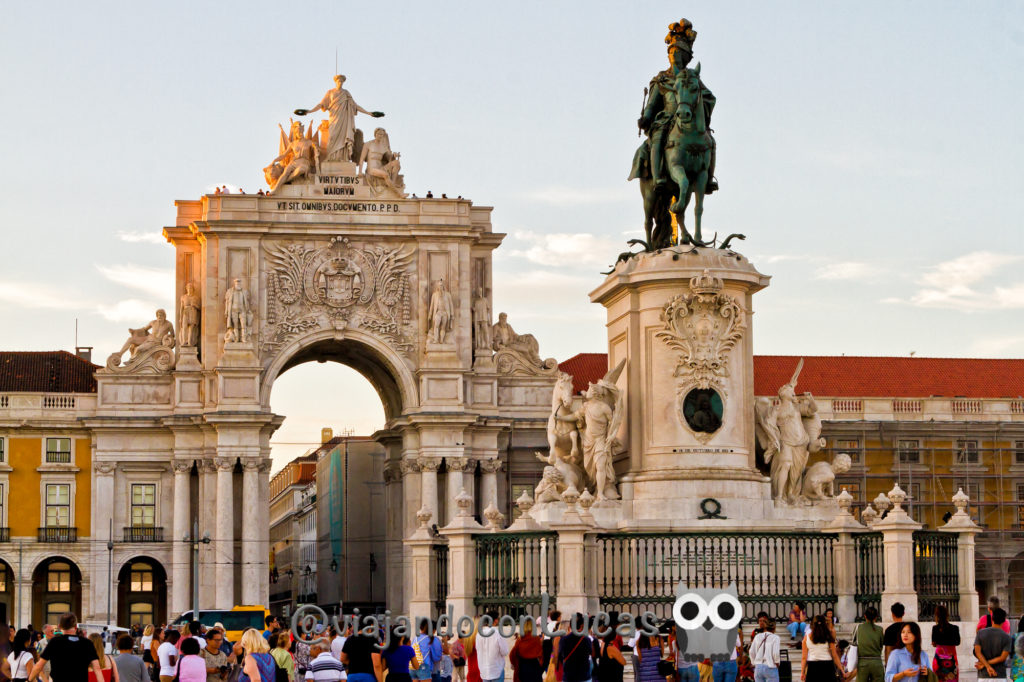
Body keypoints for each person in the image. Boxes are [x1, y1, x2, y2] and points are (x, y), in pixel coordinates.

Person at [28, 614, 103, 682]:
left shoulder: (55, 642)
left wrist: (29, 680)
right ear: (76, 627)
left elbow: (39, 665)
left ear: (59, 626)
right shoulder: (87, 643)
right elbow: (97, 669)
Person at [800, 615, 843, 682]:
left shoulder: (806, 638)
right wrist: (841, 669)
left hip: (812, 666)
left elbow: (804, 657)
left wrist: (802, 672)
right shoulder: (828, 637)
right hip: (827, 666)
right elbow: (834, 655)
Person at [973, 608, 1012, 679]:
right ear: (1004, 620)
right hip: (1000, 675)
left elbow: (977, 652)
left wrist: (986, 665)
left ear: (992, 619)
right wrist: (986, 664)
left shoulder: (980, 633)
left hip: (983, 675)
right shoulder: (1007, 637)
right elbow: (1002, 658)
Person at [851, 607, 884, 682]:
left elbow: (854, 643)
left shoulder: (858, 628)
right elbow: (881, 645)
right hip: (877, 662)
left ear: (865, 616)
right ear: (876, 617)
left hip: (862, 662)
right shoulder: (880, 629)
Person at [476, 613, 510, 682]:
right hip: (497, 670)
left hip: (484, 671)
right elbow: (505, 651)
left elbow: (478, 649)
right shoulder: (498, 633)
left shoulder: (479, 634)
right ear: (496, 620)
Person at [929, 605, 960, 682]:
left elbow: (934, 643)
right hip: (951, 657)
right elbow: (958, 642)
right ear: (947, 615)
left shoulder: (935, 628)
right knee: (952, 678)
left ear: (937, 616)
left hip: (939, 658)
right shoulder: (955, 628)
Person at [557, 615, 592, 682]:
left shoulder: (564, 640)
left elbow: (560, 655)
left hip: (568, 676)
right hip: (584, 676)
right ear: (582, 626)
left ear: (570, 626)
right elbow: (590, 653)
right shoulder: (587, 639)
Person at [751, 617, 780, 682]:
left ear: (765, 626)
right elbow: (776, 653)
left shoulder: (757, 636)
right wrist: (777, 664)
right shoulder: (775, 638)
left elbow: (751, 652)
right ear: (774, 627)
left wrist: (754, 663)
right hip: (770, 666)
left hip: (758, 667)